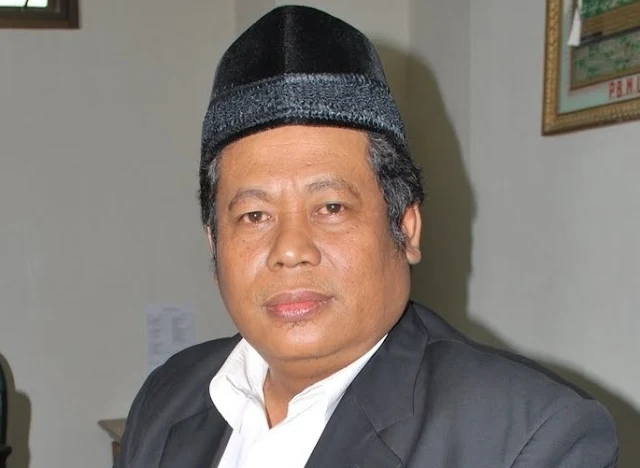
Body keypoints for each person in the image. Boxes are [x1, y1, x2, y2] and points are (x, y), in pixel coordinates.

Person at [115, 5, 618, 468]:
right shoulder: (168, 397)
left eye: (330, 208)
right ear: (213, 243)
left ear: (406, 228)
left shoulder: (530, 435)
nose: (289, 250)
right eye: (254, 215)